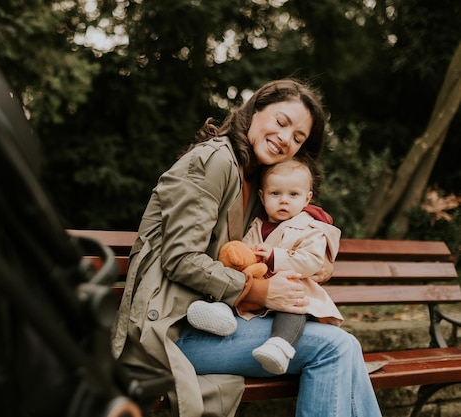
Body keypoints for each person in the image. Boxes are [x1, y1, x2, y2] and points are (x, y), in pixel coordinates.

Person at [111, 78, 382, 417]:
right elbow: (181, 260)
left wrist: (317, 252)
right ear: (254, 110)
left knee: (344, 347)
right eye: (281, 122)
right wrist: (260, 290)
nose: (286, 138)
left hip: (216, 322)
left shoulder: (255, 180)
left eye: (298, 138)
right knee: (334, 347)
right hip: (171, 329)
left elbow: (280, 239)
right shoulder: (215, 162)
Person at [186, 157, 344, 376]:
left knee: (293, 308)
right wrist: (243, 257)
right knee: (239, 286)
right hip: (261, 289)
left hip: (294, 291)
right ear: (262, 196)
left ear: (307, 198)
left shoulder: (312, 228)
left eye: (293, 195)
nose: (283, 201)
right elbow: (247, 251)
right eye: (275, 194)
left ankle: (279, 346)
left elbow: (311, 261)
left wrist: (274, 257)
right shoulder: (258, 224)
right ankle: (220, 314)